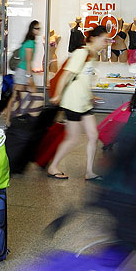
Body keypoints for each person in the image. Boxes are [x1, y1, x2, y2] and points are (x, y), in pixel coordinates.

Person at [47, 26, 109, 181]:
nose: (106, 43)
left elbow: (83, 79)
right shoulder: (81, 53)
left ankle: (89, 172)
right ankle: (53, 166)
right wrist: (58, 95)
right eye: (104, 40)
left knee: (93, 135)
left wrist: (91, 96)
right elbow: (67, 74)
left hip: (84, 103)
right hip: (73, 103)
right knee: (73, 138)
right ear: (94, 38)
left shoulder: (92, 55)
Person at [7, 21, 40, 123]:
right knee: (21, 95)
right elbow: (28, 61)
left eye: (39, 28)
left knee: (18, 97)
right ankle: (11, 119)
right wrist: (29, 76)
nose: (38, 30)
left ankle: (15, 118)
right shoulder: (30, 43)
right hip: (23, 72)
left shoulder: (28, 42)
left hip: (22, 71)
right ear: (32, 29)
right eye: (36, 28)